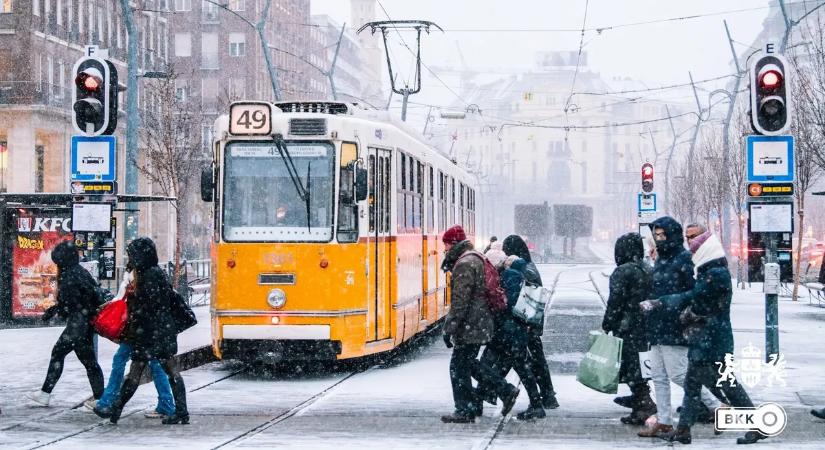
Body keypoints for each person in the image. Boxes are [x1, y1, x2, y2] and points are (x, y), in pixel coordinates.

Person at [650, 226, 765, 445]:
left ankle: (758, 425)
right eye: (687, 237)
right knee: (693, 384)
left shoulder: (715, 272)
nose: (689, 241)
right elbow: (697, 298)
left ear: (705, 241)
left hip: (713, 339)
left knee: (726, 384)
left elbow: (699, 299)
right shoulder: (706, 269)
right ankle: (684, 430)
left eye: (693, 237)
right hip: (705, 337)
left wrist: (667, 303)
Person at [632, 217, 720, 429]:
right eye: (657, 235)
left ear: (672, 234)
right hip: (657, 324)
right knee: (658, 376)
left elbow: (693, 292)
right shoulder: (661, 259)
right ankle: (664, 420)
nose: (660, 239)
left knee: (678, 373)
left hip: (674, 324)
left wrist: (667, 303)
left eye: (663, 234)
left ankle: (716, 405)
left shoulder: (683, 259)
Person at [94, 237, 189, 425]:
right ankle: (179, 412)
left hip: (151, 334)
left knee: (140, 373)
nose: (130, 257)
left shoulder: (149, 275)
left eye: (132, 254)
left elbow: (147, 308)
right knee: (165, 372)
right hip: (159, 332)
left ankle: (116, 409)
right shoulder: (154, 273)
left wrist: (135, 313)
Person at [440, 225, 520, 423]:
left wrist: (449, 328)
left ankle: (466, 409)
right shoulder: (475, 257)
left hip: (471, 323)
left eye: (446, 245)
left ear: (452, 244)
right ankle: (500, 393)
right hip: (480, 320)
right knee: (468, 363)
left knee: (458, 367)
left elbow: (460, 302)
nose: (445, 250)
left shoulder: (464, 264)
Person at [29, 240, 104, 408]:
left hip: (77, 325)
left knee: (59, 354)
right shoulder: (80, 272)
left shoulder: (69, 275)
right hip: (85, 323)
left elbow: (71, 302)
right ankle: (100, 398)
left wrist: (57, 309)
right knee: (89, 362)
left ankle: (45, 394)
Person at [93, 267, 176, 419]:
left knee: (127, 363)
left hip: (137, 330)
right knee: (155, 365)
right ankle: (167, 403)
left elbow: (131, 301)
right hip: (143, 330)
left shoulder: (140, 274)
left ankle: (108, 402)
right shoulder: (149, 272)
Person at [476, 251, 546, 420]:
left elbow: (509, 304)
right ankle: (532, 403)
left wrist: (496, 305)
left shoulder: (510, 276)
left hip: (510, 331)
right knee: (518, 367)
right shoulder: (510, 274)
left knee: (491, 364)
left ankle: (482, 398)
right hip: (511, 332)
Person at [601, 233, 657, 430]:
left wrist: (608, 323)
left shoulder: (622, 272)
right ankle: (640, 405)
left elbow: (615, 301)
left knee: (630, 366)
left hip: (628, 326)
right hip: (646, 326)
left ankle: (644, 404)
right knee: (638, 366)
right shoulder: (648, 269)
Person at [501, 234, 559, 409]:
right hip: (532, 321)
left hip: (525, 321)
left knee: (521, 360)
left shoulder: (521, 269)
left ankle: (541, 398)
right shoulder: (529, 266)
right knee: (535, 360)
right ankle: (548, 395)